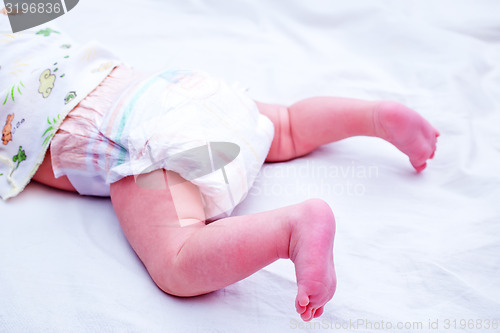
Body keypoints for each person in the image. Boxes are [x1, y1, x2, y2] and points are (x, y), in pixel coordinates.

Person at [0, 11, 438, 322]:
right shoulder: (21, 25)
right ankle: (373, 116)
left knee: (176, 259)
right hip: (183, 90)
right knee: (285, 125)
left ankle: (289, 231)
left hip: (137, 137)